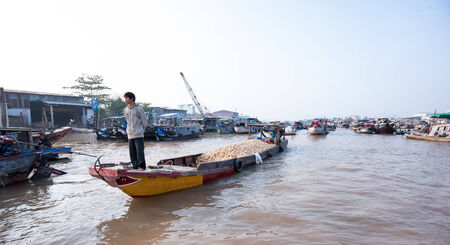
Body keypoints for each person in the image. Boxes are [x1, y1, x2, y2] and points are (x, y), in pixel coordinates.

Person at [123, 92, 148, 170]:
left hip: (138, 134)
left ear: (132, 99)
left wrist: (141, 130)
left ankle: (141, 166)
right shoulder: (125, 110)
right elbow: (127, 121)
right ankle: (135, 166)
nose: (125, 100)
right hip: (130, 134)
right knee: (132, 152)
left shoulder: (139, 109)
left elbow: (144, 122)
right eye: (125, 98)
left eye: (127, 98)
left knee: (139, 152)